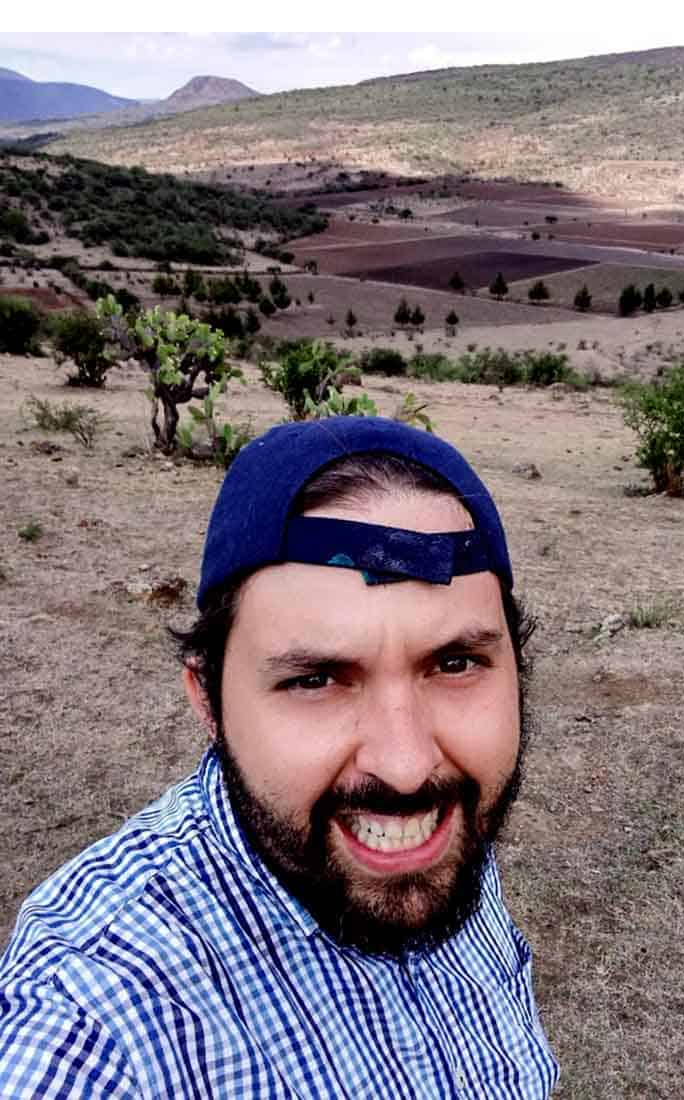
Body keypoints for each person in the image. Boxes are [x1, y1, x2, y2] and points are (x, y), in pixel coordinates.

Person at [0, 417, 560, 1098]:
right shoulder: (95, 1026)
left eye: (454, 662)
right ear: (208, 699)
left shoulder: (440, 837)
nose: (408, 765)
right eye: (316, 679)